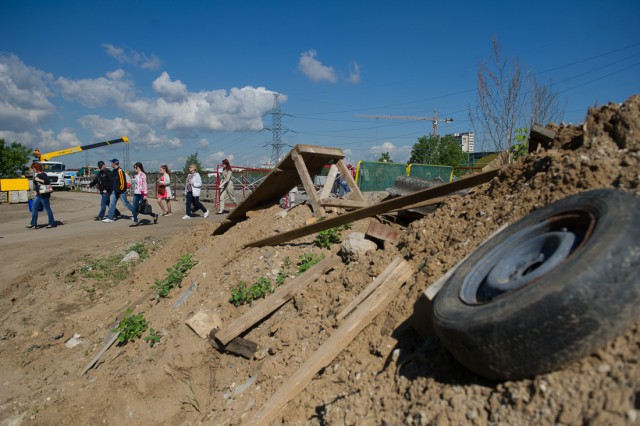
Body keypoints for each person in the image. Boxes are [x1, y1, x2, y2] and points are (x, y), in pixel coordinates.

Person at [103, 159, 137, 225]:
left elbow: (123, 183)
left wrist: (119, 190)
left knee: (126, 204)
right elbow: (113, 182)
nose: (111, 164)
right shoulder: (114, 171)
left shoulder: (120, 171)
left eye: (112, 163)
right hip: (115, 191)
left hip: (121, 191)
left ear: (114, 163)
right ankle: (110, 218)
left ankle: (135, 213)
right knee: (112, 204)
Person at [27, 161, 56, 229]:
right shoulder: (37, 175)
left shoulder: (43, 174)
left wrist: (38, 179)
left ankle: (51, 223)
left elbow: (47, 182)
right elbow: (37, 185)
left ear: (36, 168)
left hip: (44, 195)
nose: (33, 170)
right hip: (38, 195)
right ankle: (33, 223)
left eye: (33, 168)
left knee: (47, 209)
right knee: (34, 208)